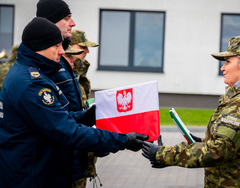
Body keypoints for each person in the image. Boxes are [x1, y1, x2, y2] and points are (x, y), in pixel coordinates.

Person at [0, 17, 148, 188]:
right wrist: (123, 140)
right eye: (56, 46)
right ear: (39, 48)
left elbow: (52, 121)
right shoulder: (32, 84)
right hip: (31, 178)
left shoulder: (30, 73)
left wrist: (85, 117)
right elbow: (67, 132)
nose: (62, 52)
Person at [142, 34, 240, 187]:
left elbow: (217, 151)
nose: (222, 67)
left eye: (228, 62)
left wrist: (162, 154)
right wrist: (204, 142)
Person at [36, 0, 96, 186]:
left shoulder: (61, 63)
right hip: (56, 167)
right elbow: (57, 123)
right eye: (67, 18)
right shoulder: (44, 66)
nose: (73, 23)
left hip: (73, 160)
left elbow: (70, 115)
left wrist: (89, 118)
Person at [69, 29, 100, 186]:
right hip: (68, 164)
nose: (87, 51)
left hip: (81, 160)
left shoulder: (80, 77)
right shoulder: (65, 78)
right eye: (82, 46)